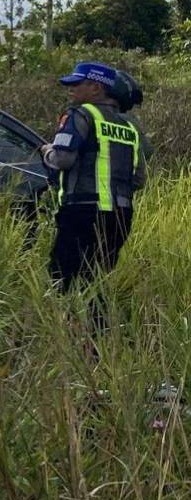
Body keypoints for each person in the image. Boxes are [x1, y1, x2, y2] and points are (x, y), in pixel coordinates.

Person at [41, 62, 149, 321]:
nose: (71, 89)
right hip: (120, 217)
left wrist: (47, 152)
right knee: (96, 283)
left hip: (82, 212)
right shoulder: (130, 128)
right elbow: (139, 179)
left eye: (76, 84)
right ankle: (96, 345)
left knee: (61, 280)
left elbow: (63, 160)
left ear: (96, 87)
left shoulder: (80, 115)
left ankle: (62, 338)